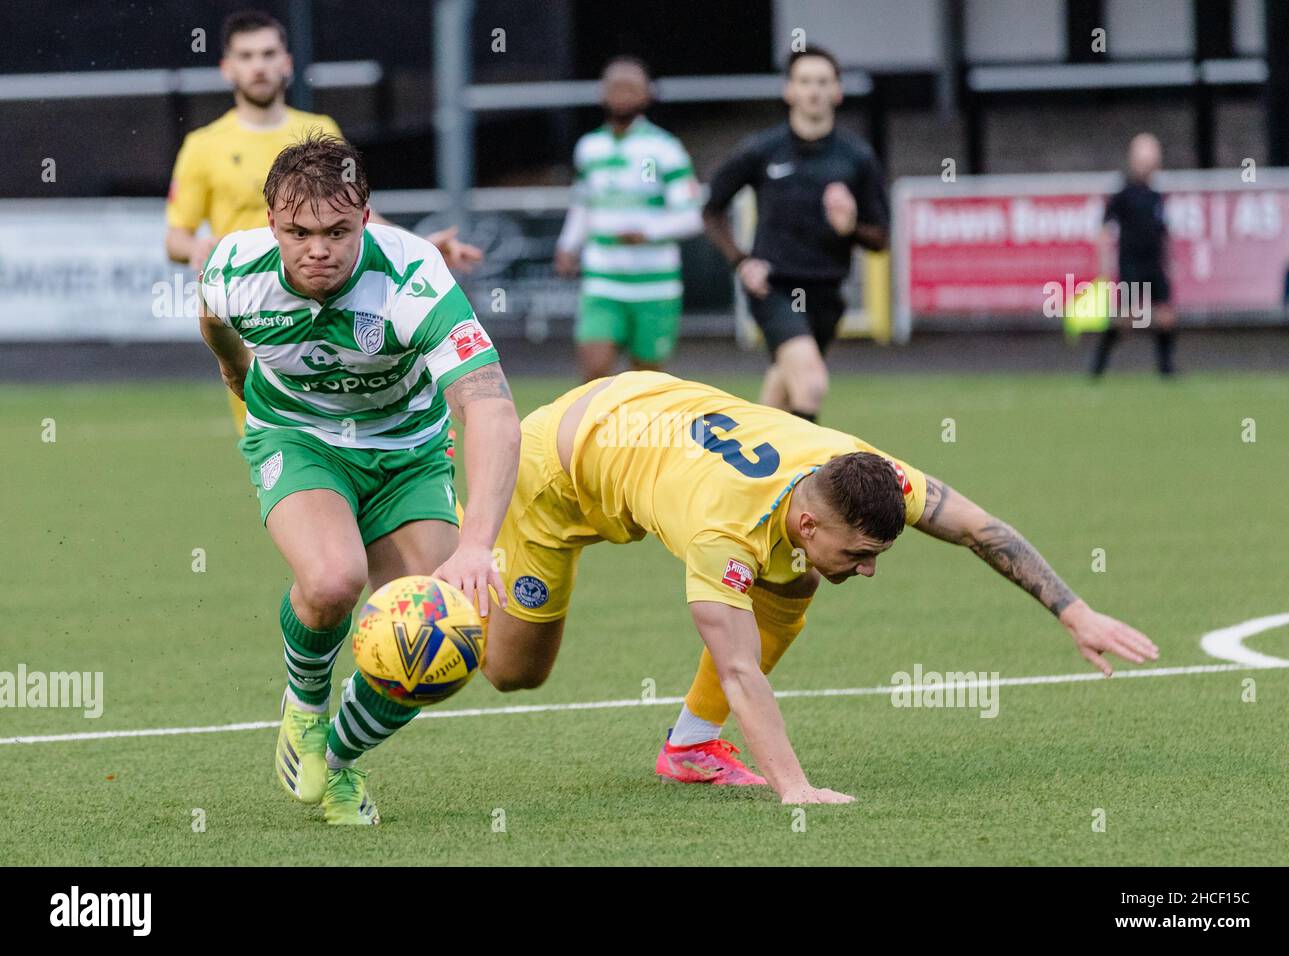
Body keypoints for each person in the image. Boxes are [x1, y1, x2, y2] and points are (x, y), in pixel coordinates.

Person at [478, 371, 1158, 803]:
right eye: (861, 553)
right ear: (809, 520)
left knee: (794, 581)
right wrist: (795, 788)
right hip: (557, 472)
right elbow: (740, 669)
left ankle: (688, 747)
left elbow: (981, 529)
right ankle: (452, 562)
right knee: (516, 673)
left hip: (642, 417)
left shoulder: (861, 473)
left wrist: (1074, 610)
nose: (869, 570)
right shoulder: (726, 531)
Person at [198, 133, 520, 825]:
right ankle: (306, 705)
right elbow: (212, 319)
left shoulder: (413, 278)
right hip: (299, 436)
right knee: (331, 583)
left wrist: (477, 544)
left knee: (444, 638)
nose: (319, 249)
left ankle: (333, 759)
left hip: (408, 452)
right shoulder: (234, 267)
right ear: (271, 225)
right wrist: (233, 369)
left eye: (338, 231)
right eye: (299, 232)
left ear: (366, 219)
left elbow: (489, 405)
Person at [169, 9, 481, 431]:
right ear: (227, 68)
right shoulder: (203, 146)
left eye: (267, 53)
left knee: (352, 434)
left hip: (333, 307)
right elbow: (175, 237)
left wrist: (420, 246)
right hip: (260, 318)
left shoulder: (319, 129)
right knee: (278, 450)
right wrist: (198, 248)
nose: (258, 65)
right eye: (245, 56)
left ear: (287, 63)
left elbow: (350, 215)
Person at [703, 46, 889, 423]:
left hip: (826, 294)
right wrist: (740, 261)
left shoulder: (857, 157)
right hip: (773, 287)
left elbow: (880, 239)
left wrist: (849, 227)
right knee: (811, 383)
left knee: (781, 393)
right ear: (789, 90)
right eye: (805, 82)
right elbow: (712, 208)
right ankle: (809, 481)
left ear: (837, 91)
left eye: (823, 82)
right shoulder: (762, 149)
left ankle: (745, 468)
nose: (814, 91)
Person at [554, 56, 703, 381]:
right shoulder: (589, 147)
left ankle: (636, 433)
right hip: (603, 278)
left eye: (631, 88)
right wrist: (568, 245)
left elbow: (693, 216)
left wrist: (648, 232)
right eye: (615, 87)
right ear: (601, 94)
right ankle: (591, 434)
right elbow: (583, 205)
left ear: (647, 95)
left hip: (655, 283)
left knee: (646, 381)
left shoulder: (665, 149)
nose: (622, 95)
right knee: (594, 374)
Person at [1090, 133, 1177, 377]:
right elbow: (1104, 230)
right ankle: (1098, 364)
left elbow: (1163, 232)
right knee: (1126, 320)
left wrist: (1170, 262)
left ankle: (1166, 368)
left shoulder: (1155, 196)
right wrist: (1104, 266)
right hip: (1131, 264)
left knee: (1165, 317)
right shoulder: (1123, 194)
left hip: (1154, 264)